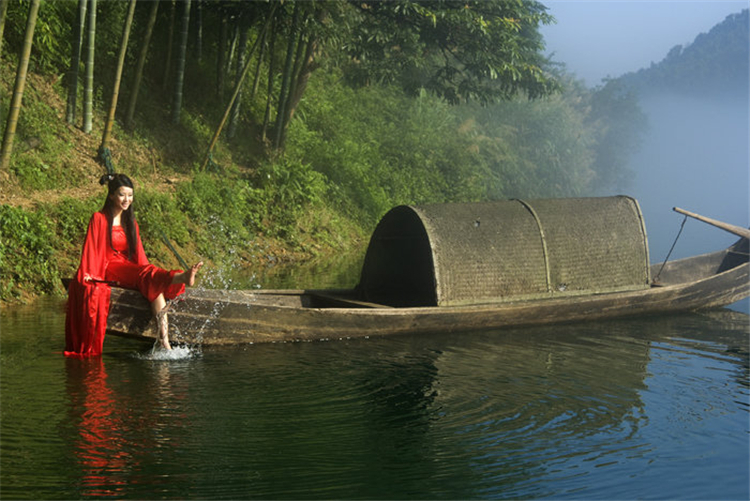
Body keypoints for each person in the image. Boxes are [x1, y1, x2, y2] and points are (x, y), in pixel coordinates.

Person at [65, 173, 203, 357]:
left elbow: (139, 255)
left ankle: (164, 342)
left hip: (126, 267)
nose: (126, 199)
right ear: (112, 195)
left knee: (151, 281)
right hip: (107, 267)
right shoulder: (98, 218)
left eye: (130, 195)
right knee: (147, 275)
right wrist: (89, 274)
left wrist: (145, 273)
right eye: (122, 195)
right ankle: (180, 277)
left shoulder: (130, 222)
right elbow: (91, 248)